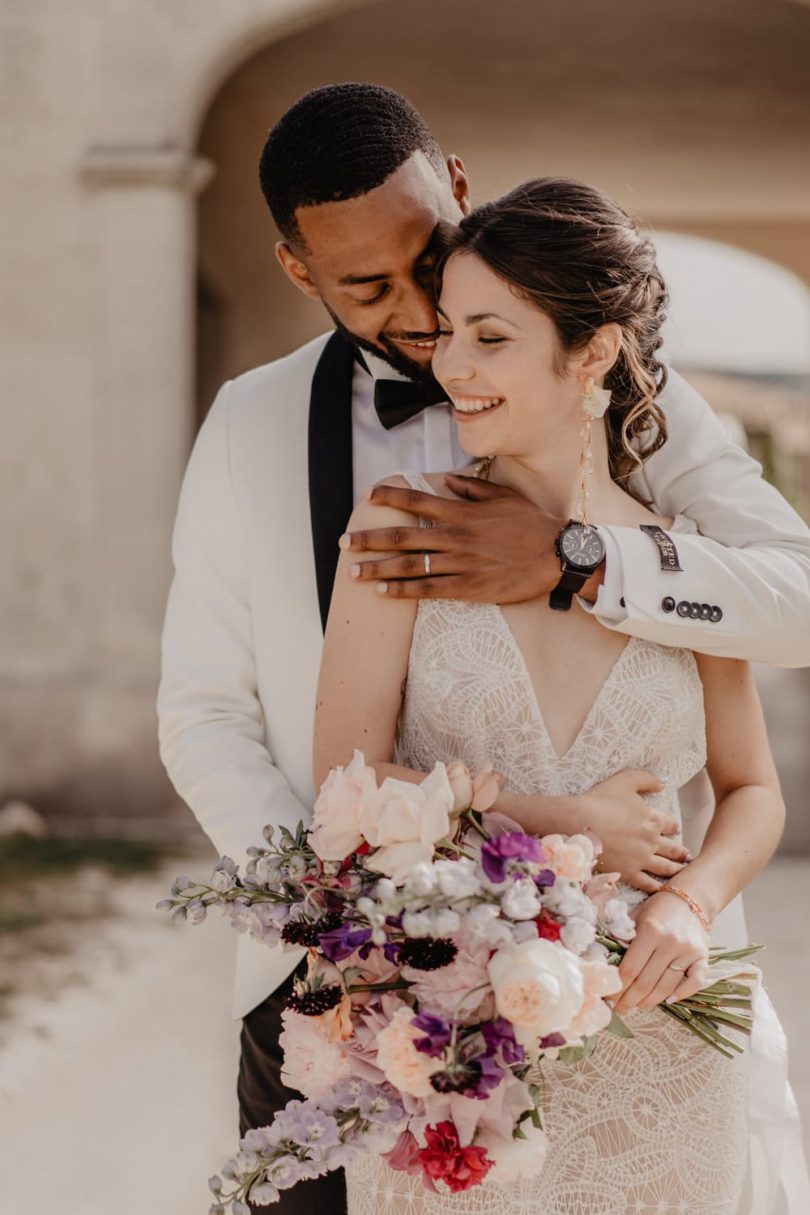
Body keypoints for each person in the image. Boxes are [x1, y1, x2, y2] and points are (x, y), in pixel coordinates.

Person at [157, 84, 810, 1214]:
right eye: (371, 288)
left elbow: (792, 605)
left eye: (434, 264)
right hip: (345, 983)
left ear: (457, 189)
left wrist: (573, 558)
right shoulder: (248, 428)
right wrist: (351, 911)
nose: (427, 325)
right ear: (299, 273)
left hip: (655, 1012)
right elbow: (203, 713)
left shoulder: (636, 410)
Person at [313, 177, 798, 1214]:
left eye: (491, 338)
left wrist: (691, 902)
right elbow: (343, 781)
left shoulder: (688, 562)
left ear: (596, 353)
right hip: (449, 1053)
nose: (449, 366)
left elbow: (752, 789)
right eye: (447, 333)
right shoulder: (398, 531)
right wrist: (560, 825)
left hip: (665, 1048)